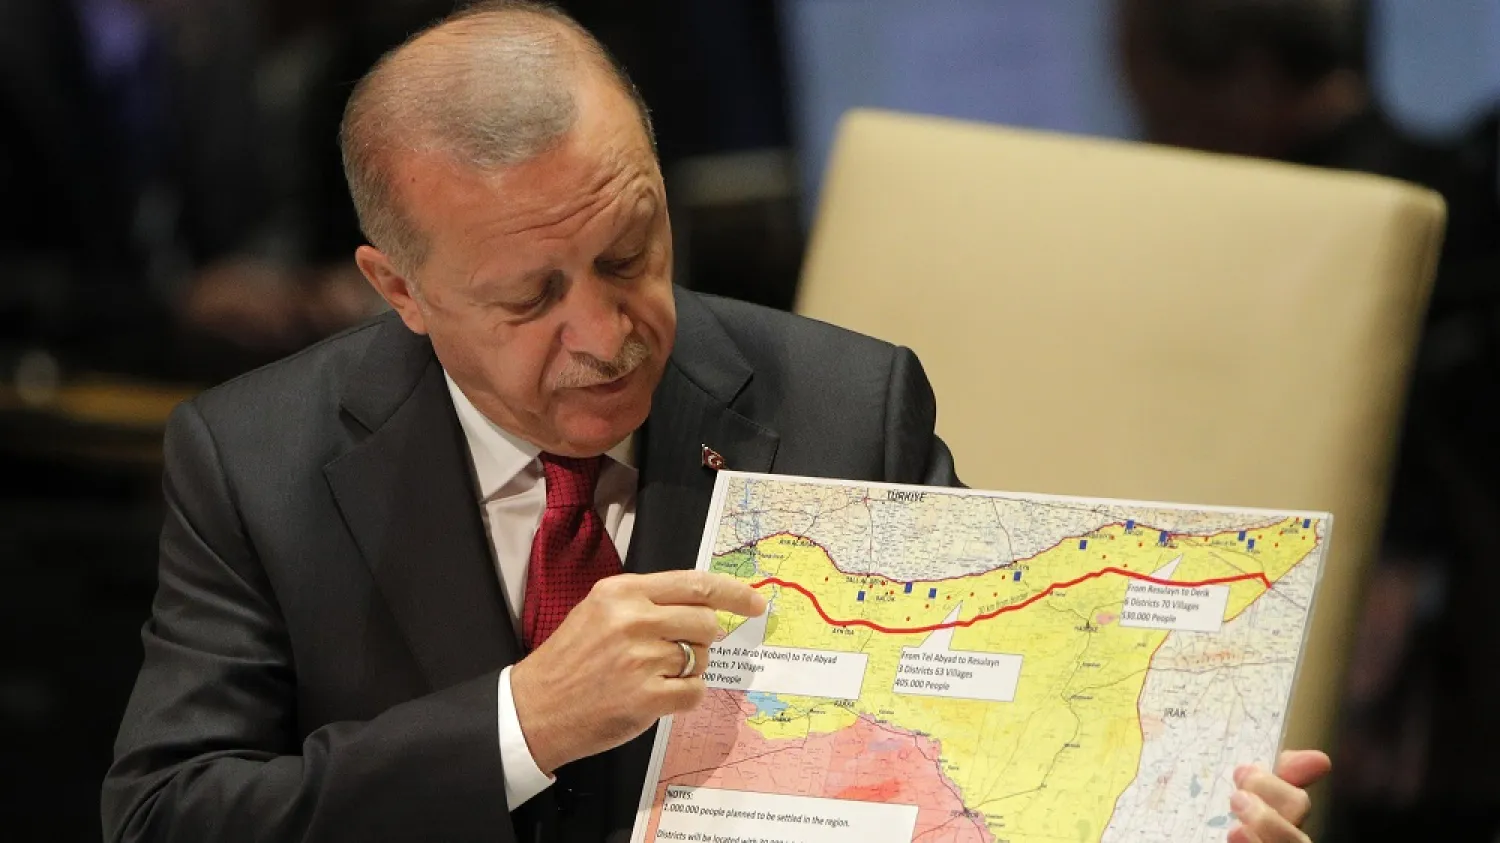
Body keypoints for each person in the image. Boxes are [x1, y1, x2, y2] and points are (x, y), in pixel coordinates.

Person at [102, 3, 1330, 841]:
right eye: (530, 297)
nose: (607, 333)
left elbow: (988, 759)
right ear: (399, 291)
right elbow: (168, 815)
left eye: (629, 254)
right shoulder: (254, 459)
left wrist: (1170, 812)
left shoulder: (853, 405)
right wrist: (522, 723)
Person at [1119, 2, 1500, 839]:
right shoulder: (1459, 186)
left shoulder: (1280, 245)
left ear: (1250, 81)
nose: (1138, 128)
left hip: (1389, 746)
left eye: (1146, 90)